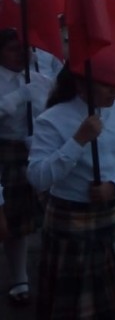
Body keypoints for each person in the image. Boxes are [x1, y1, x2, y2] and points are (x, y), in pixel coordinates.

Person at [27, 54, 115, 318]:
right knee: (76, 304)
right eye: (106, 84)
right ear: (81, 85)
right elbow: (38, 177)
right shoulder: (52, 119)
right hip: (71, 224)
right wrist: (77, 141)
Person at [0, 28, 52, 307]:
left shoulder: (38, 76)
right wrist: (19, 97)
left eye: (23, 48)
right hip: (7, 150)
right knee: (14, 218)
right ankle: (19, 276)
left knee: (45, 213)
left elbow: (55, 107)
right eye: (12, 49)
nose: (20, 54)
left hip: (39, 149)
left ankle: (52, 267)